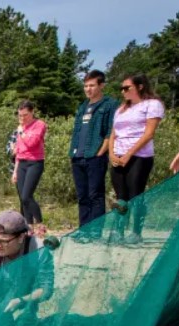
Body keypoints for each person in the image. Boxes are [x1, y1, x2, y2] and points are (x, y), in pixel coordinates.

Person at [110, 73, 165, 243]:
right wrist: (111, 153)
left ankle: (136, 232)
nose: (123, 91)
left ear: (140, 87)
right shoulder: (121, 109)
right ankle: (118, 230)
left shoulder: (152, 105)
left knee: (136, 194)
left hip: (139, 156)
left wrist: (129, 154)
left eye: (127, 88)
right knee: (121, 196)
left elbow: (149, 133)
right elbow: (113, 133)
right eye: (121, 88)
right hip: (118, 155)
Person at [69, 70, 116, 239]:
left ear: (101, 85)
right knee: (82, 196)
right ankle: (84, 230)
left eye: (92, 85)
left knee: (95, 195)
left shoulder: (109, 104)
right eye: (86, 85)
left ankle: (95, 232)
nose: (88, 89)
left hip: (95, 156)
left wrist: (101, 152)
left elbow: (110, 131)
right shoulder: (83, 106)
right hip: (78, 156)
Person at [12, 101, 47, 236]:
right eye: (20, 116)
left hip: (35, 162)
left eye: (25, 115)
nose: (22, 119)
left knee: (27, 195)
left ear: (32, 112)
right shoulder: (21, 128)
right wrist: (15, 171)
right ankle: (29, 226)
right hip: (22, 163)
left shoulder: (39, 125)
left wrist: (22, 132)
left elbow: (32, 143)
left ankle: (40, 223)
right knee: (22, 197)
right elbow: (19, 152)